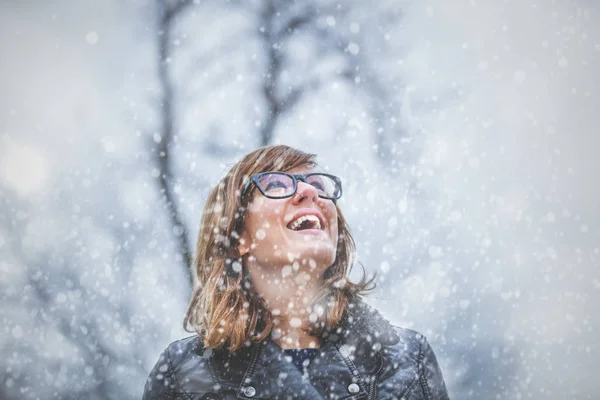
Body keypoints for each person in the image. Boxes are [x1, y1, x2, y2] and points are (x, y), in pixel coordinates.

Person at [142, 145, 450, 400]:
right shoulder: (184, 375)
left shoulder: (407, 360)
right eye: (276, 184)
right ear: (237, 238)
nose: (308, 192)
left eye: (317, 185)